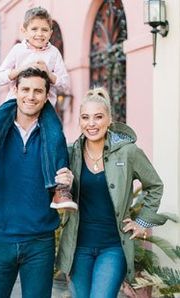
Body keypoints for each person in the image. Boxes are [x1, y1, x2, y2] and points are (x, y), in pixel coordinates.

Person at [0, 68, 74, 298]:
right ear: (15, 90)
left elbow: (66, 178)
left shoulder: (53, 136)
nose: (31, 96)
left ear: (46, 95)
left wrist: (69, 180)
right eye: (26, 89)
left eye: (38, 91)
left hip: (39, 243)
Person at [0, 6, 77, 210]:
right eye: (34, 29)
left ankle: (60, 188)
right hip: (14, 101)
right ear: (24, 30)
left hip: (44, 104)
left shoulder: (53, 54)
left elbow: (64, 84)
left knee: (55, 135)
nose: (39, 34)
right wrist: (17, 71)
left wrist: (49, 73)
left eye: (44, 30)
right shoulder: (19, 50)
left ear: (51, 33)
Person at [55, 87, 168, 298]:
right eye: (85, 117)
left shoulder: (128, 152)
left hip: (113, 247)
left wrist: (142, 222)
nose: (91, 123)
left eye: (98, 117)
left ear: (109, 120)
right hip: (78, 248)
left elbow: (155, 186)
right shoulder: (71, 153)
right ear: (79, 121)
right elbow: (52, 185)